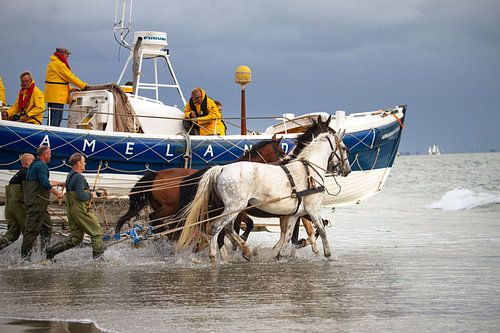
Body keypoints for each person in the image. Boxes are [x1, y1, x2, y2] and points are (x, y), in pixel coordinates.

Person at [46, 153, 104, 260]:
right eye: (83, 161)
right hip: (81, 210)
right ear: (78, 163)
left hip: (72, 211)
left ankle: (51, 251)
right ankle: (99, 261)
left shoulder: (70, 176)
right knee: (97, 233)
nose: (84, 163)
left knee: (76, 238)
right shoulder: (79, 177)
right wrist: (93, 194)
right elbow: (81, 196)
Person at [21, 146, 64, 261]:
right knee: (32, 231)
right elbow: (45, 183)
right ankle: (25, 260)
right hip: (37, 203)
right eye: (50, 154)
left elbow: (42, 180)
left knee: (47, 227)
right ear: (45, 154)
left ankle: (44, 256)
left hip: (38, 203)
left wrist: (60, 183)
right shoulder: (42, 165)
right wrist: (58, 193)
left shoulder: (35, 164)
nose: (50, 156)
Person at [44, 47, 88, 127]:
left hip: (51, 95)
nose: (68, 57)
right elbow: (70, 77)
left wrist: (70, 89)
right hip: (57, 96)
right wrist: (84, 86)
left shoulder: (52, 63)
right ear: (63, 54)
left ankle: (49, 133)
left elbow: (57, 80)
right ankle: (53, 135)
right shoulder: (60, 64)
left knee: (51, 118)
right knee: (56, 119)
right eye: (67, 55)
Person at [0, 153, 35, 250]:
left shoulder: (17, 175)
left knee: (13, 233)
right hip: (19, 206)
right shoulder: (27, 174)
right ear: (28, 162)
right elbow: (30, 191)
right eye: (33, 160)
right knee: (29, 232)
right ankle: (31, 260)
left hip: (9, 207)